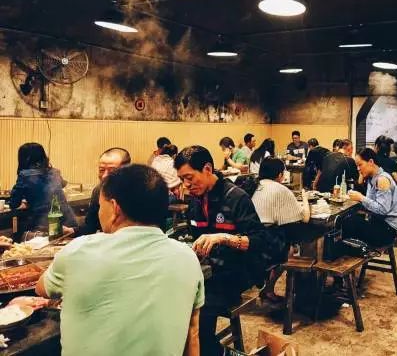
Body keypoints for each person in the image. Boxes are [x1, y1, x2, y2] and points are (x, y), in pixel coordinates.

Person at [36, 165, 204, 356]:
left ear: (115, 208)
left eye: (101, 206)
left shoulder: (79, 250)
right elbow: (193, 333)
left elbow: (41, 288)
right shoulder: (187, 258)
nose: (99, 213)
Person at [174, 146, 268, 356]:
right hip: (207, 273)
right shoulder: (195, 202)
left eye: (189, 177)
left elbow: (260, 241)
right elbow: (194, 238)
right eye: (181, 179)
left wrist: (224, 238)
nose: (186, 185)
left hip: (237, 273)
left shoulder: (237, 198)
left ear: (207, 169)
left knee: (198, 319)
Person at [249, 157, 310, 302]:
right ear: (279, 175)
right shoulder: (281, 189)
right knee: (290, 250)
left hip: (249, 236)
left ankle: (267, 287)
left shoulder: (253, 186)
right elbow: (305, 218)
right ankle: (269, 289)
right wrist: (305, 197)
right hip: (263, 240)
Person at [9, 143, 77, 237]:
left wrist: (29, 201)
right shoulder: (54, 172)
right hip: (69, 223)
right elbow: (62, 184)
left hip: (45, 226)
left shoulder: (24, 176)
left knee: (17, 236)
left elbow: (13, 204)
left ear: (24, 159)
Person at [345, 148, 397, 248]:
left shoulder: (382, 179)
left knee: (349, 223)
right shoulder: (372, 178)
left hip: (387, 230)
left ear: (371, 162)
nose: (358, 169)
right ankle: (350, 251)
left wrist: (361, 198)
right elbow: (371, 203)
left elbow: (383, 209)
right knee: (347, 219)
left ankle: (349, 253)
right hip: (378, 223)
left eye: (360, 165)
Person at [74, 147, 131, 236]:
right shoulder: (99, 191)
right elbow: (91, 226)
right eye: (101, 170)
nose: (104, 176)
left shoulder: (141, 191)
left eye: (112, 171)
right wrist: (73, 231)